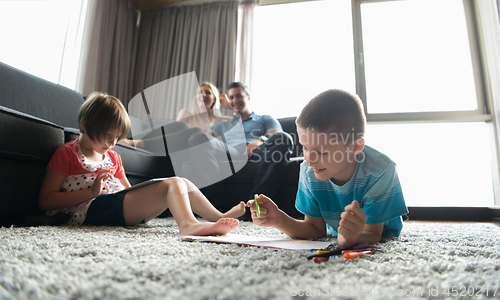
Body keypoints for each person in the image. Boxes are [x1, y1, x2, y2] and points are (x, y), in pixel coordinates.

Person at [38, 92, 245, 236]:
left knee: (182, 182)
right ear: (85, 125)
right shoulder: (67, 153)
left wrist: (149, 194)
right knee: (172, 185)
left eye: (117, 137)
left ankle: (219, 216)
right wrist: (92, 191)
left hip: (120, 206)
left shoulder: (113, 157)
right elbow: (46, 202)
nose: (112, 143)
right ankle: (188, 225)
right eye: (108, 135)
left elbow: (128, 190)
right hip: (91, 209)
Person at [247, 89, 408, 247]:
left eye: (321, 152)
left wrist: (349, 240)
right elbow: (315, 229)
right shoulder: (309, 171)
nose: (309, 161)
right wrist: (279, 220)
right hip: (343, 231)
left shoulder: (380, 171)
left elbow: (373, 234)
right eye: (305, 148)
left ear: (355, 147)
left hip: (382, 231)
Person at [206, 82, 294, 220]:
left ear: (248, 97)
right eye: (232, 97)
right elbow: (202, 140)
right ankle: (220, 209)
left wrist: (260, 140)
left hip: (259, 152)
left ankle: (255, 205)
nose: (235, 100)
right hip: (231, 153)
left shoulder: (264, 118)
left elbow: (276, 134)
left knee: (284, 138)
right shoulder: (222, 125)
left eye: (239, 96)